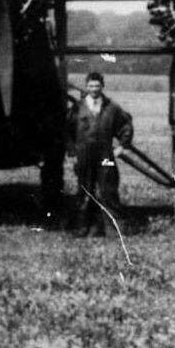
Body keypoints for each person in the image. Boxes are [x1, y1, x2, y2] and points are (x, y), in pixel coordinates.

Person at [67, 71, 133, 237]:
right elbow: (67, 130)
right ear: (86, 87)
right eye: (90, 86)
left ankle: (115, 231)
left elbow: (126, 125)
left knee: (108, 190)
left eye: (97, 86)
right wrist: (72, 150)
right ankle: (82, 229)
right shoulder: (77, 107)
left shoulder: (112, 107)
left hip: (105, 155)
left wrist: (122, 146)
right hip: (84, 155)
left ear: (102, 86)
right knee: (84, 191)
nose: (94, 89)